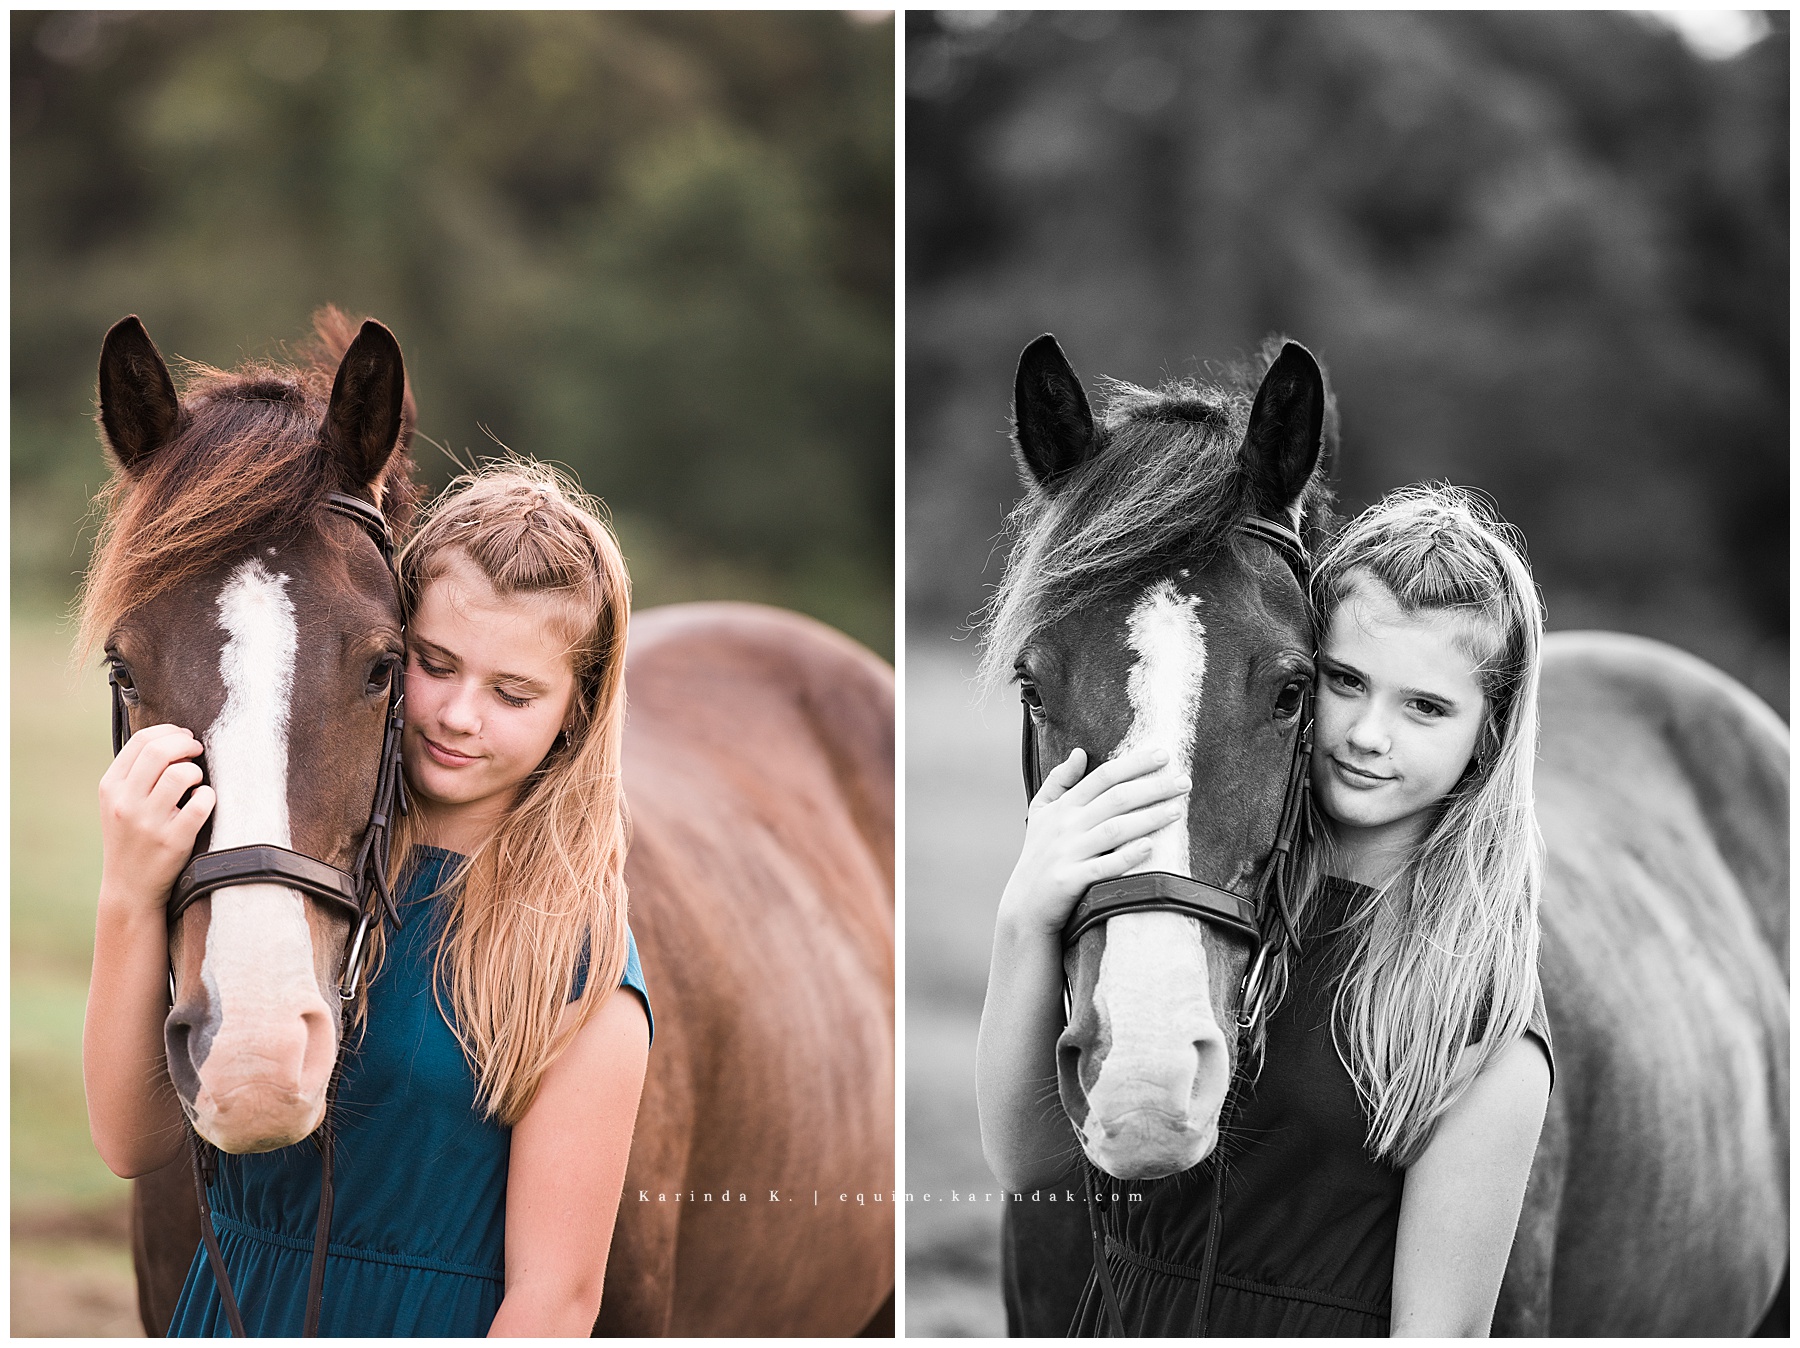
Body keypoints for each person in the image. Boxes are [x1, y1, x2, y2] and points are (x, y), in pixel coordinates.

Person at [85, 463, 653, 1335]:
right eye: (434, 664)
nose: (461, 714)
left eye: (513, 693)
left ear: (574, 713)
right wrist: (128, 892)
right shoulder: (280, 888)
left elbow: (557, 1298)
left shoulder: (573, 965)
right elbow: (131, 1144)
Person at [978, 484, 1553, 1336]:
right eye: (1344, 682)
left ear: (1489, 734)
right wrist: (1027, 912)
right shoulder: (1199, 916)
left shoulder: (1474, 1023)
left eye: (1425, 706)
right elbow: (1027, 1162)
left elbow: (1438, 1333)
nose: (1366, 734)